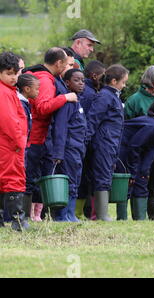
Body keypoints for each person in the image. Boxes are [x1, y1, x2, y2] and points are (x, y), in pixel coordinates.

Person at [23, 47, 78, 221]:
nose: (67, 69)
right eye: (66, 64)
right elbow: (42, 107)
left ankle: (32, 214)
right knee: (31, 177)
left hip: (34, 136)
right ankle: (24, 216)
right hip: (36, 137)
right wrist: (65, 98)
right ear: (58, 63)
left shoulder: (39, 74)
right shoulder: (46, 80)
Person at [123, 65, 154, 221]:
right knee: (139, 182)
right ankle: (139, 217)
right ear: (149, 81)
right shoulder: (134, 100)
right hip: (141, 150)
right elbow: (127, 125)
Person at [85, 64, 129, 221]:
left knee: (106, 174)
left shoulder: (113, 96)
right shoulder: (105, 96)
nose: (124, 86)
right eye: (123, 82)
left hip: (111, 142)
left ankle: (101, 213)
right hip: (103, 143)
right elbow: (93, 119)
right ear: (114, 81)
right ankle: (102, 215)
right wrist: (86, 141)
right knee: (102, 176)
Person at [46, 69, 87, 222]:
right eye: (77, 80)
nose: (81, 83)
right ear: (67, 83)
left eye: (83, 80)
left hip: (78, 149)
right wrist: (58, 153)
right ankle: (62, 216)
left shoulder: (78, 102)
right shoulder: (67, 104)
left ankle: (71, 214)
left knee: (76, 181)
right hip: (68, 149)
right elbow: (60, 129)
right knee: (68, 182)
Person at [0, 52, 29, 231]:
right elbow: (9, 120)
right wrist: (20, 142)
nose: (13, 78)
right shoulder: (4, 93)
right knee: (13, 180)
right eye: (8, 74)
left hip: (8, 143)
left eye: (15, 74)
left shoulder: (8, 90)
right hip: (10, 145)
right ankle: (18, 221)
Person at [77, 60, 106, 220]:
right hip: (86, 142)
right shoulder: (89, 94)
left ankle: (84, 212)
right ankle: (80, 213)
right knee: (84, 177)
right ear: (94, 76)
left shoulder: (90, 91)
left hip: (83, 141)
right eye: (103, 75)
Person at [16, 74, 41, 221]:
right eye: (37, 88)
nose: (38, 91)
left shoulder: (26, 103)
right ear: (26, 89)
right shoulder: (20, 103)